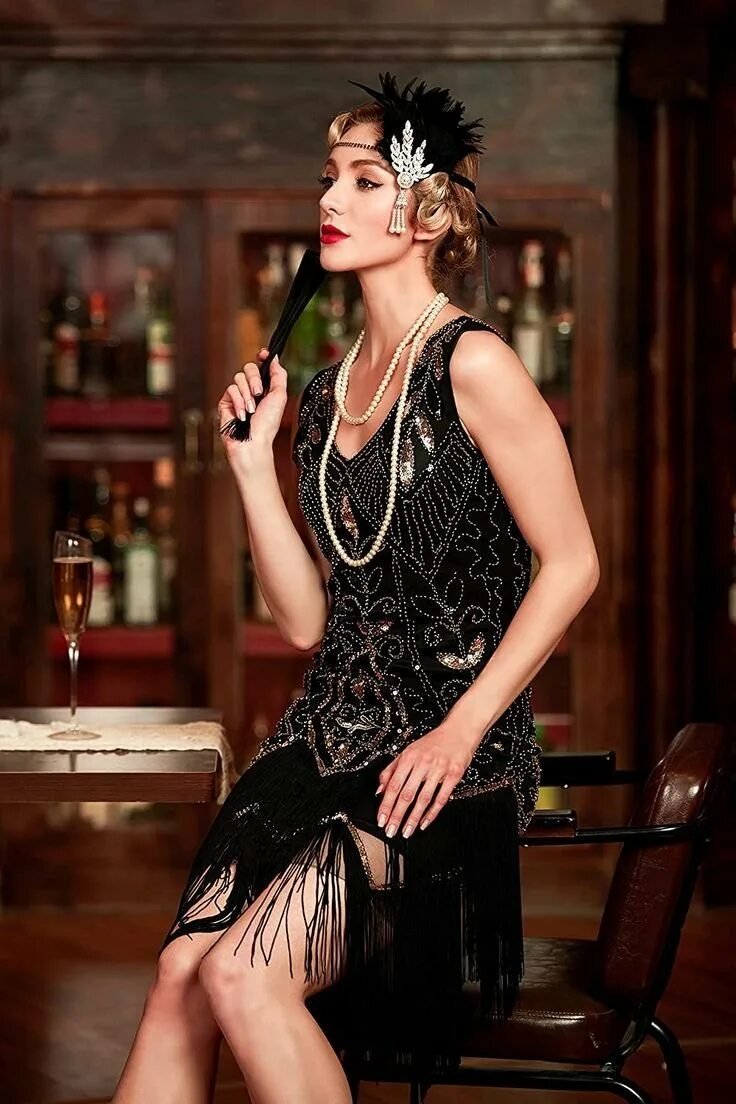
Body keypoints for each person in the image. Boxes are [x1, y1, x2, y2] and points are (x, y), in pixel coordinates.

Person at [112, 72, 600, 1104]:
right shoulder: (329, 389)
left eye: (364, 180)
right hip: (322, 742)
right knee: (181, 975)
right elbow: (303, 622)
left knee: (244, 977)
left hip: (447, 762)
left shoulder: (475, 365)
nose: (330, 199)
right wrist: (253, 465)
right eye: (328, 177)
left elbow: (573, 565)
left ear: (428, 214)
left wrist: (460, 731)